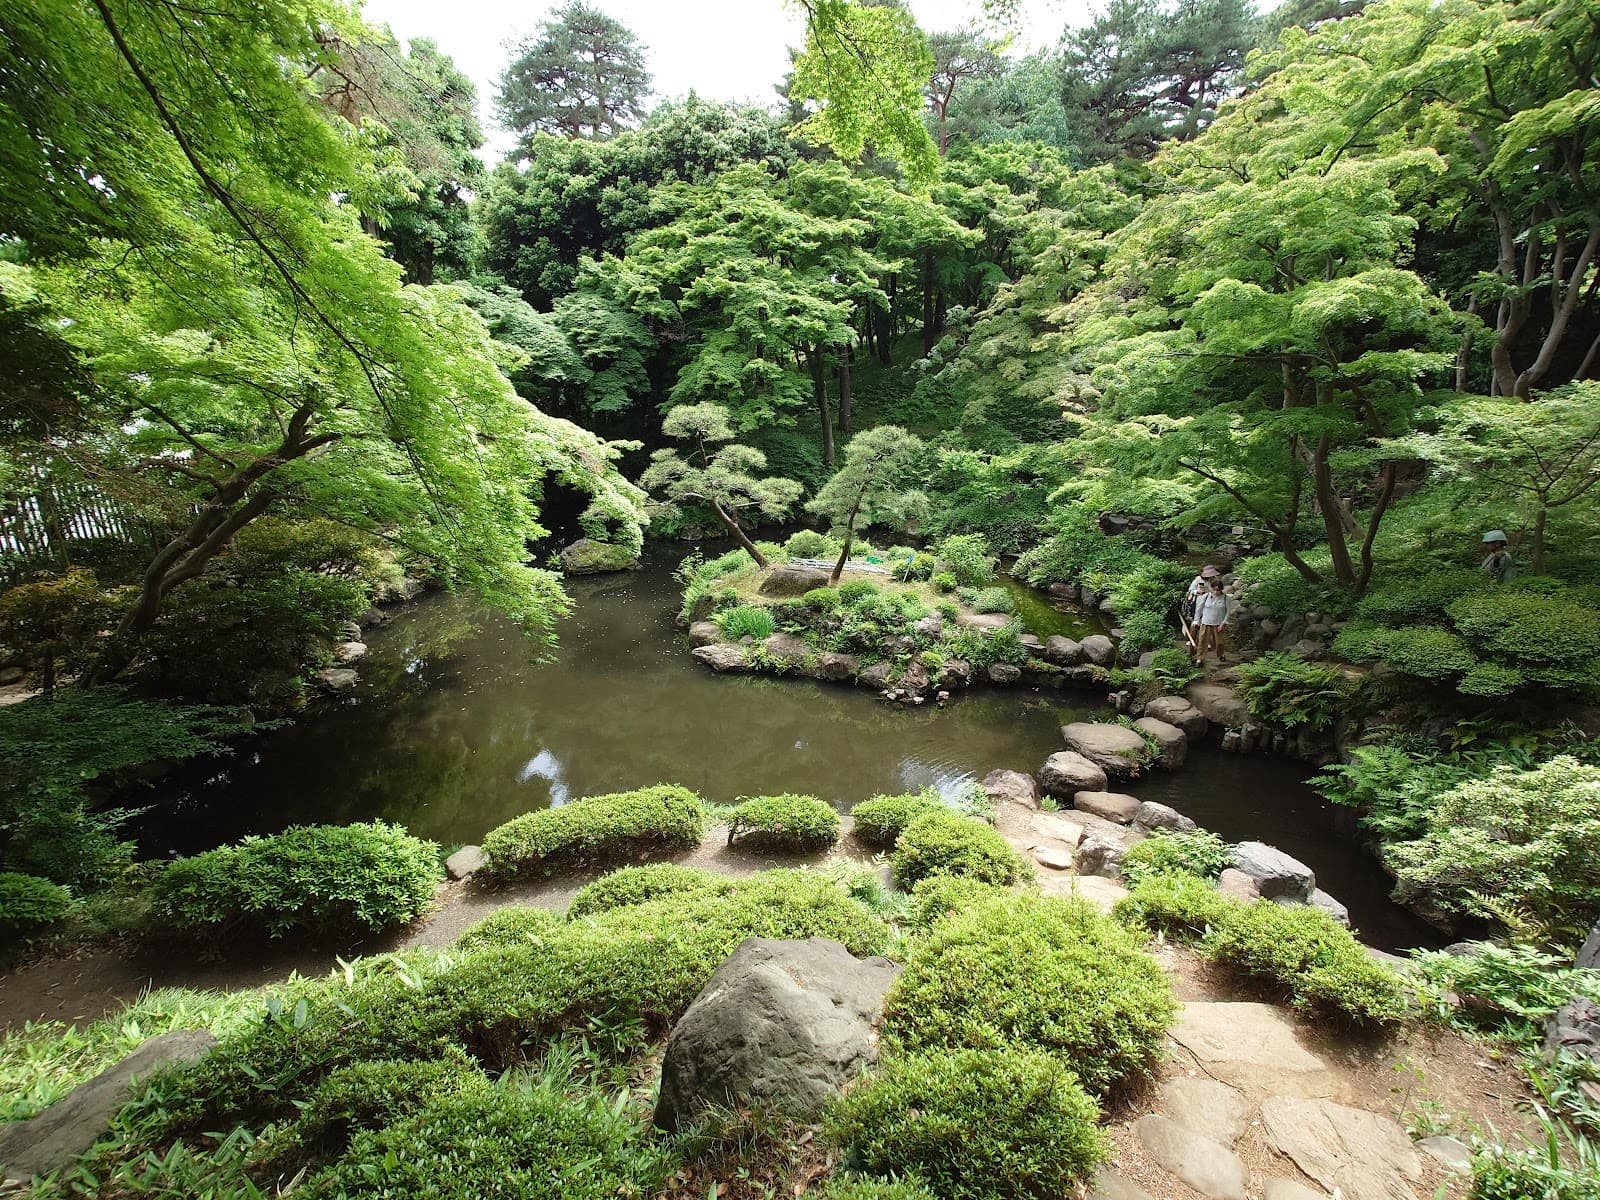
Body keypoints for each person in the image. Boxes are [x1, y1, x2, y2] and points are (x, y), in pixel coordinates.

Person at [1194, 578, 1231, 665]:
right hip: (1206, 622)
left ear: (1221, 589)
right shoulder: (1206, 596)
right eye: (1214, 589)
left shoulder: (1226, 598)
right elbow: (1199, 609)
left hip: (1218, 623)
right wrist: (1196, 620)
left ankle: (1221, 654)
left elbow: (1228, 611)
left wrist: (1223, 623)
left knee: (1219, 642)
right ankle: (1200, 658)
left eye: (1218, 590)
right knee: (1202, 640)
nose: (1216, 592)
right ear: (1211, 588)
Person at [1183, 565, 1220, 636]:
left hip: (1209, 602)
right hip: (1198, 602)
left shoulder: (1213, 580)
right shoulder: (1198, 579)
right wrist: (1197, 592)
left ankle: (1205, 640)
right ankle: (1191, 639)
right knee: (1196, 621)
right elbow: (1191, 589)